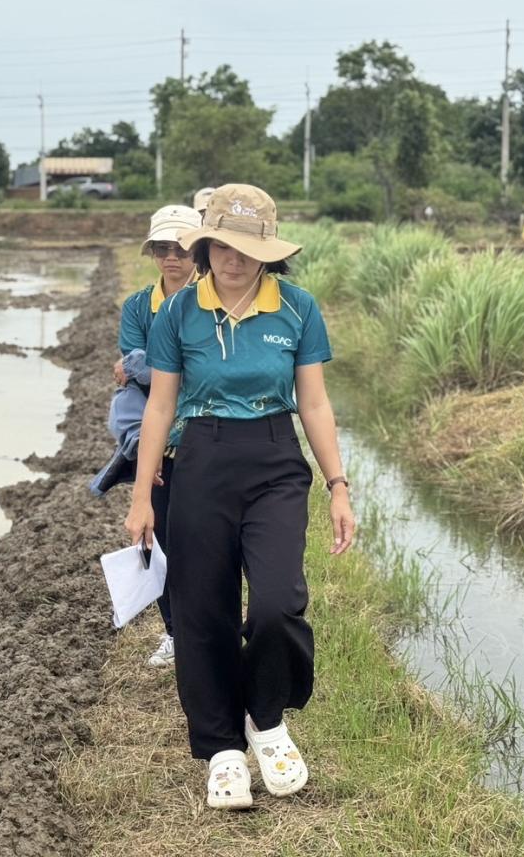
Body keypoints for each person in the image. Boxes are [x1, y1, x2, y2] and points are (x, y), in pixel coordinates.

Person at [124, 184, 355, 810]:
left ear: (268, 252)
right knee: (204, 611)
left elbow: (314, 402)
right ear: (207, 245)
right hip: (201, 457)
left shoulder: (298, 308)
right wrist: (142, 495)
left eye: (249, 247)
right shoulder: (178, 314)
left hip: (277, 460)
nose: (235, 259)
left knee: (279, 602)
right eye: (223, 245)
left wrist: (338, 486)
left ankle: (265, 717)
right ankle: (222, 748)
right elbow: (162, 406)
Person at [101, 203, 201, 668]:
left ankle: (209, 629)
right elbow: (142, 370)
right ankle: (175, 632)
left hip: (203, 434)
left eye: (180, 248)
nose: (171, 258)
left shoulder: (212, 301)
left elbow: (195, 371)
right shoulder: (139, 306)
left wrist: (146, 366)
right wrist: (150, 367)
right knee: (158, 537)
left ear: (198, 250)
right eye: (162, 249)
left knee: (206, 540)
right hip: (157, 440)